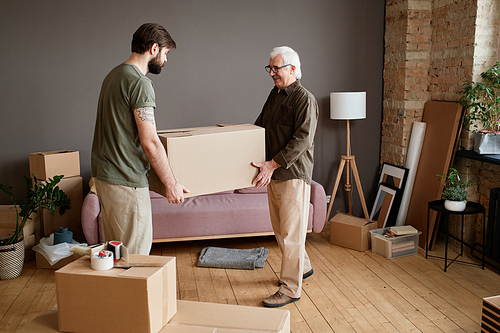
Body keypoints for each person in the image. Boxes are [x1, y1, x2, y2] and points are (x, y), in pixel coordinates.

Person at [90, 23, 188, 255]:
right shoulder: (140, 83)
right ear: (154, 48)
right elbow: (150, 141)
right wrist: (171, 184)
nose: (165, 60)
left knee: (117, 254)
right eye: (165, 53)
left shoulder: (114, 75)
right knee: (135, 257)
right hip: (126, 180)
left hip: (105, 177)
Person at [252, 46, 319, 308]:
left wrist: (272, 164)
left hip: (292, 174)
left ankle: (291, 288)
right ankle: (303, 267)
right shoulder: (275, 95)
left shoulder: (305, 99)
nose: (271, 73)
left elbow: (302, 140)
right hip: (273, 172)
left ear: (292, 69)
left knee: (291, 233)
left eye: (275, 68)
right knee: (281, 229)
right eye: (269, 68)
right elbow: (260, 126)